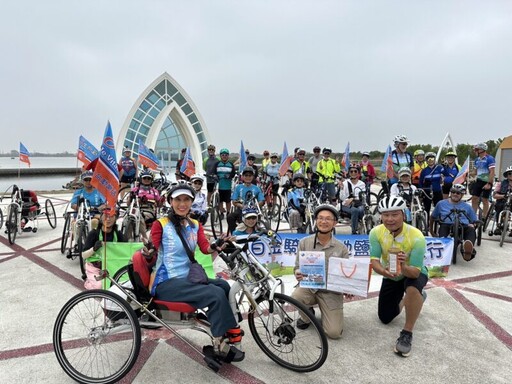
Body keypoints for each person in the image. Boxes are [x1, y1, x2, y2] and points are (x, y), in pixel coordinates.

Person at [150, 183, 243, 361]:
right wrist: (148, 251)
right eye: (178, 199)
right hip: (167, 282)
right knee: (215, 294)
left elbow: (205, 248)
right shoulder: (160, 224)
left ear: (192, 202)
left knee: (223, 285)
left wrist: (217, 245)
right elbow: (152, 248)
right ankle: (220, 343)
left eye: (186, 199)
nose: (182, 204)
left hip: (187, 278)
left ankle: (223, 326)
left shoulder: (195, 225)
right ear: (171, 201)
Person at [369, 195, 428, 357]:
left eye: (395, 214)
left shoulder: (416, 236)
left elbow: (415, 272)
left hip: (412, 272)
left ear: (404, 214)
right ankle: (410, 300)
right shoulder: (375, 233)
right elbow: (374, 262)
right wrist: (384, 272)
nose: (390, 219)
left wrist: (403, 266)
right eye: (386, 215)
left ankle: (407, 333)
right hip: (391, 274)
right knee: (385, 317)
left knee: (413, 288)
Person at [291, 204, 350, 339]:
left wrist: (348, 287)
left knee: (334, 333)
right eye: (320, 218)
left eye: (328, 219)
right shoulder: (304, 243)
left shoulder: (342, 248)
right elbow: (296, 267)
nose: (324, 222)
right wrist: (297, 273)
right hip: (310, 288)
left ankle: (327, 313)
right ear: (315, 220)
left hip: (331, 292)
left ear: (335, 223)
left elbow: (346, 274)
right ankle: (307, 316)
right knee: (296, 296)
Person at [430, 184, 478, 261]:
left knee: (470, 230)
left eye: (458, 193)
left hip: (463, 225)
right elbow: (432, 217)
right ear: (450, 193)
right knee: (443, 234)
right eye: (453, 192)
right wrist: (431, 231)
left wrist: (473, 225)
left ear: (462, 195)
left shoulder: (467, 206)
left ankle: (468, 249)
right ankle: (443, 246)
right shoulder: (441, 204)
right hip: (446, 224)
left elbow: (475, 220)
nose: (455, 194)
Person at [82, 207, 127, 290]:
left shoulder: (118, 234)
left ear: (116, 218)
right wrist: (94, 248)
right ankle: (88, 281)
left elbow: (126, 251)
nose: (108, 219)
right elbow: (84, 255)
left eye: (111, 216)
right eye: (105, 216)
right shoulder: (94, 233)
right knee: (100, 286)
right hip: (95, 267)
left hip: (112, 266)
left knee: (123, 284)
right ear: (101, 217)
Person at [227, 167, 264, 235]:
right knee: (230, 216)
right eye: (246, 175)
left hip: (254, 210)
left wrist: (256, 206)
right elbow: (234, 201)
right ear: (242, 177)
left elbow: (261, 200)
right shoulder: (238, 187)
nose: (248, 177)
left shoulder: (257, 188)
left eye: (250, 175)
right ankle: (235, 234)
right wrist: (241, 206)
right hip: (241, 209)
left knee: (253, 218)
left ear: (253, 177)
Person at [129, 169, 161, 241]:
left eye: (149, 178)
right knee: (128, 218)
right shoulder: (135, 190)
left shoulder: (154, 191)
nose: (146, 179)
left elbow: (159, 205)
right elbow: (128, 204)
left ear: (151, 179)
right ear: (141, 178)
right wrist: (130, 197)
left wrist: (161, 201)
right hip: (135, 209)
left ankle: (145, 238)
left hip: (148, 211)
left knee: (139, 217)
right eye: (144, 178)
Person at [340, 165, 366, 234]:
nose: (353, 173)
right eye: (351, 171)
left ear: (358, 173)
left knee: (361, 210)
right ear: (349, 173)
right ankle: (354, 232)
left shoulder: (362, 184)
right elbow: (342, 198)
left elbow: (362, 196)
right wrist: (342, 188)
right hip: (346, 205)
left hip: (358, 203)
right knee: (355, 210)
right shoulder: (345, 183)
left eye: (355, 171)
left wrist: (352, 199)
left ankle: (359, 225)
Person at [471, 142, 495, 218]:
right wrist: (468, 173)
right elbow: (475, 172)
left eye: (476, 149)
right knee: (474, 198)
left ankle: (485, 217)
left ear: (482, 150)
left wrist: (489, 183)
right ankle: (473, 216)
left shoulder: (490, 158)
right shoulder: (476, 160)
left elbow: (492, 172)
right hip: (479, 181)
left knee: (485, 199)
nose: (475, 151)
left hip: (487, 181)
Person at [419, 152, 443, 217]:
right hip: (427, 192)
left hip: (437, 191)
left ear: (435, 159)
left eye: (432, 158)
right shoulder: (424, 171)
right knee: (427, 209)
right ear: (426, 160)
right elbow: (421, 182)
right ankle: (427, 225)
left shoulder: (440, 168)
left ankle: (439, 224)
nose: (430, 160)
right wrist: (421, 192)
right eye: (428, 158)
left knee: (439, 208)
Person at [214, 148, 236, 219]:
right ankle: (221, 213)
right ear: (220, 156)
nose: (224, 156)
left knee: (228, 201)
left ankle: (228, 213)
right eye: (222, 155)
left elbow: (233, 174)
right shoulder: (217, 164)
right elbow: (214, 173)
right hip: (219, 186)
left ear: (228, 156)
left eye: (226, 155)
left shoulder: (231, 164)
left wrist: (229, 176)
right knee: (220, 201)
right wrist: (215, 176)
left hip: (228, 186)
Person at [491, 165, 512, 236]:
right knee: (499, 207)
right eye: (509, 173)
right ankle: (498, 226)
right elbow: (494, 195)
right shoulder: (501, 183)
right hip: (502, 201)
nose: (511, 175)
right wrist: (503, 196)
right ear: (507, 175)